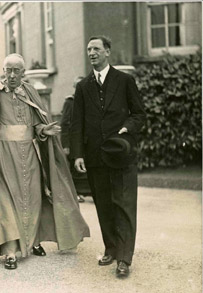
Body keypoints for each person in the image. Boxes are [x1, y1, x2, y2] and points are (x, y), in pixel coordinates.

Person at [0, 53, 90, 270]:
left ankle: (32, 243)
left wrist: (43, 130)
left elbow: (35, 124)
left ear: (23, 73)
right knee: (9, 200)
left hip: (30, 153)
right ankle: (11, 251)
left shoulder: (29, 91)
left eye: (15, 71)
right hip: (4, 153)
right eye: (7, 70)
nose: (11, 75)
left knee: (33, 197)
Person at [70, 36, 146, 278]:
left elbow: (139, 114)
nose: (91, 53)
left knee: (123, 205)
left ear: (107, 52)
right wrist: (78, 155)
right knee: (103, 205)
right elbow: (76, 124)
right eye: (88, 49)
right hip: (95, 157)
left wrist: (127, 128)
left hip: (121, 152)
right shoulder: (83, 87)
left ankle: (124, 259)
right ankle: (111, 249)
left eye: (96, 49)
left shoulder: (124, 81)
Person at [60, 76, 91, 203]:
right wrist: (65, 145)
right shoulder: (70, 102)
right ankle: (76, 193)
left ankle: (89, 192)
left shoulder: (89, 102)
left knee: (87, 166)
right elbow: (65, 124)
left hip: (87, 141)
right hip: (73, 141)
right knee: (74, 168)